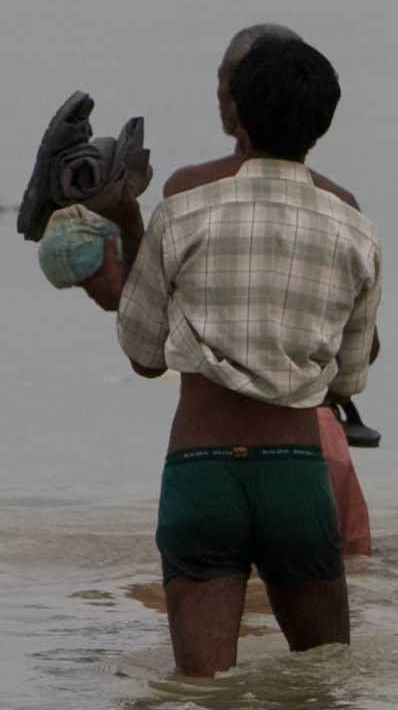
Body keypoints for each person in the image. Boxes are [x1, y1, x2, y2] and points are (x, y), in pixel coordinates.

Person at [105, 34, 382, 676]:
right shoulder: (355, 229)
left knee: (201, 700)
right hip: (295, 475)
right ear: (322, 123)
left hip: (201, 471)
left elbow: (145, 355)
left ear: (239, 112)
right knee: (323, 688)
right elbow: (348, 380)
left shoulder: (181, 212)